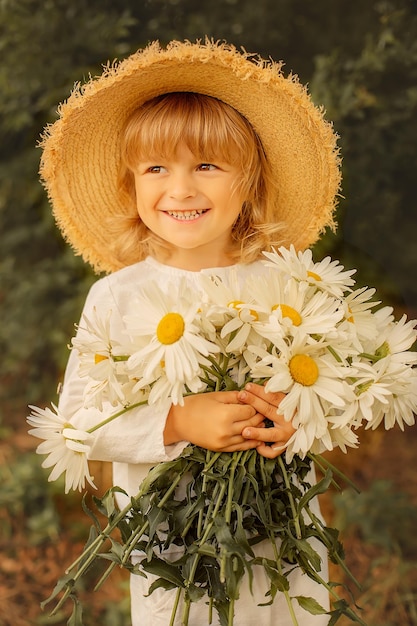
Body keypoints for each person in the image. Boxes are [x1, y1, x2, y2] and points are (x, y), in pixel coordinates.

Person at [39, 40, 340, 625]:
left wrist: (294, 420)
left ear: (249, 182)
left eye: (206, 165)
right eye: (156, 168)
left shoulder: (286, 285)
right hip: (174, 549)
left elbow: (331, 398)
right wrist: (178, 422)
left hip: (279, 540)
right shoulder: (117, 297)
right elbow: (79, 422)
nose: (179, 189)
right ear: (131, 187)